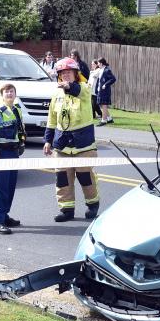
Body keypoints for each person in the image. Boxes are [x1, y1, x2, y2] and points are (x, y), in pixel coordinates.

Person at [43, 57, 100, 222]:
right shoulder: (56, 94)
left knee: (85, 178)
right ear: (59, 75)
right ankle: (66, 210)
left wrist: (69, 87)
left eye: (69, 72)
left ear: (75, 74)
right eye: (62, 73)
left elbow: (76, 90)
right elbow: (52, 119)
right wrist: (48, 141)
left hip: (84, 145)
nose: (66, 75)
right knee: (62, 180)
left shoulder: (85, 88)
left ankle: (92, 205)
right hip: (62, 145)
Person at [0, 84, 25, 235]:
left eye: (11, 91)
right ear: (2, 95)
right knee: (1, 189)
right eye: (6, 92)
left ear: (15, 94)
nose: (9, 94)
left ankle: (4, 216)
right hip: (2, 154)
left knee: (10, 187)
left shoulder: (16, 110)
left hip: (13, 153)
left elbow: (20, 130)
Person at [95, 57, 117, 126]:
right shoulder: (101, 70)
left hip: (105, 91)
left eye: (98, 63)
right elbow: (99, 81)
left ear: (101, 63)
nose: (97, 65)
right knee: (101, 105)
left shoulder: (107, 70)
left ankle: (103, 120)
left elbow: (113, 79)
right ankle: (109, 119)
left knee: (103, 105)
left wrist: (105, 84)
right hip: (100, 90)